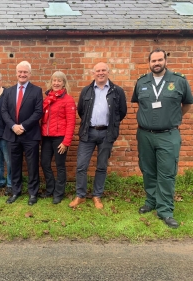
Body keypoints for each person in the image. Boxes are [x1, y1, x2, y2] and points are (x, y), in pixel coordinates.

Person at [131, 48, 193, 229]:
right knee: (148, 170)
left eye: (159, 60)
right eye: (153, 61)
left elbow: (188, 103)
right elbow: (139, 104)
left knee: (166, 173)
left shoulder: (179, 81)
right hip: (145, 135)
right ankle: (151, 201)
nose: (156, 63)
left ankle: (165, 210)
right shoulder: (141, 82)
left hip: (168, 135)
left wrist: (174, 118)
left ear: (165, 61)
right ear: (149, 63)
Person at [69, 62, 127, 209]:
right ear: (93, 73)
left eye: (103, 70)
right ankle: (80, 196)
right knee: (81, 166)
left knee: (101, 166)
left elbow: (122, 111)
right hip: (88, 132)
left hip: (107, 133)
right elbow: (81, 111)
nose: (100, 73)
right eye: (97, 71)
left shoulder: (117, 91)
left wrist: (112, 125)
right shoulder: (86, 91)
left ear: (108, 72)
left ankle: (97, 196)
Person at [1, 61, 43, 205]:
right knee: (14, 165)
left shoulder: (36, 91)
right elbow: (4, 111)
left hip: (30, 134)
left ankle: (33, 193)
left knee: (32, 165)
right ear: (16, 73)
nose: (22, 74)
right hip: (12, 135)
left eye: (25, 72)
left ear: (30, 74)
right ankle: (15, 191)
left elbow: (38, 112)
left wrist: (23, 126)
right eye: (20, 72)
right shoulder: (9, 91)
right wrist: (13, 126)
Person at [40, 71, 76, 204]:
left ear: (63, 83)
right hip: (47, 137)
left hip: (60, 138)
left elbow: (71, 122)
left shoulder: (68, 100)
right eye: (54, 80)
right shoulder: (47, 98)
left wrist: (66, 142)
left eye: (59, 81)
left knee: (60, 166)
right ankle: (50, 189)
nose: (56, 83)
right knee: (44, 163)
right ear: (51, 82)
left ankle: (59, 193)